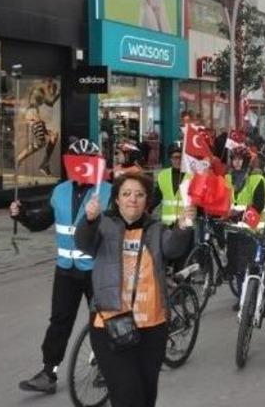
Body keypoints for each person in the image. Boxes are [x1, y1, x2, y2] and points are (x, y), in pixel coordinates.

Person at [76, 172, 194, 407]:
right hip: (111, 323)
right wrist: (89, 220)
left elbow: (173, 249)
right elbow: (84, 243)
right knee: (127, 395)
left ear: (146, 201)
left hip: (152, 325)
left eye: (139, 195)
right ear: (117, 199)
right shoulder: (104, 225)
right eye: (127, 194)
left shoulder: (156, 228)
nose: (133, 199)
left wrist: (184, 227)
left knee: (147, 394)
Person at [10, 139, 113, 394]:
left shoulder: (108, 191)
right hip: (66, 269)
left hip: (96, 269)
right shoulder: (60, 191)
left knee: (103, 320)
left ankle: (106, 366)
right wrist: (22, 214)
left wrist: (99, 217)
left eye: (87, 160)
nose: (80, 166)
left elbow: (120, 229)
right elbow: (41, 221)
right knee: (59, 321)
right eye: (75, 160)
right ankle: (48, 373)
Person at [227, 146, 265, 308]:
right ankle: (242, 294)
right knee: (236, 265)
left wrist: (240, 215)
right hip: (232, 229)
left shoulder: (257, 180)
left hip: (250, 229)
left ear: (246, 161)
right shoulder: (227, 178)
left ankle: (246, 297)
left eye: (239, 159)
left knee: (245, 265)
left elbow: (258, 205)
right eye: (234, 159)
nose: (236, 162)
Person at [16, 78, 60, 176]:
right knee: (41, 142)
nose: (53, 90)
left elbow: (50, 103)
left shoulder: (41, 90)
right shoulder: (40, 87)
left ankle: (45, 163)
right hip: (32, 115)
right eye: (53, 87)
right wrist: (58, 92)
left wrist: (57, 93)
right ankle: (18, 159)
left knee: (53, 136)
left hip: (35, 115)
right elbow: (50, 100)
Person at [154, 142, 186, 228]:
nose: (178, 160)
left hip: (186, 224)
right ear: (170, 159)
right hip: (167, 225)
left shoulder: (191, 176)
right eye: (175, 157)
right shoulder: (163, 175)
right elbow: (156, 198)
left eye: (180, 157)